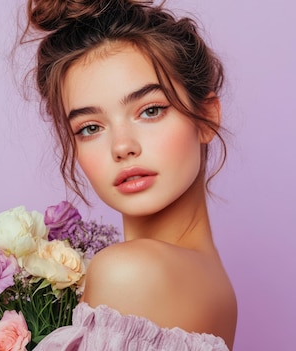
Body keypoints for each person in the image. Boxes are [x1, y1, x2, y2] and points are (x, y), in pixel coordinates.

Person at [22, 0, 237, 349]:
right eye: (90, 127)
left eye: (150, 110)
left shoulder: (129, 272)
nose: (122, 147)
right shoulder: (213, 283)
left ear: (207, 117)